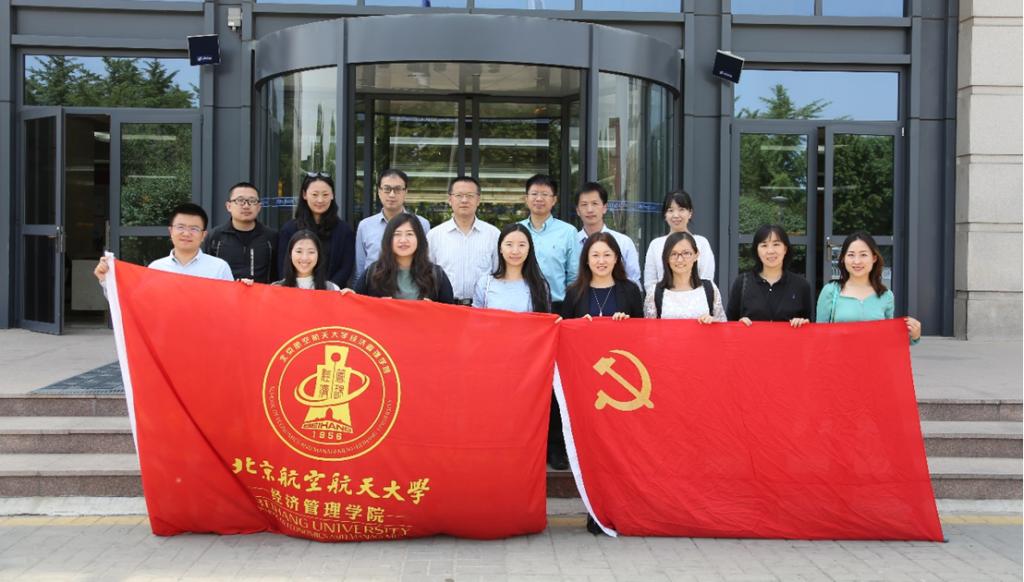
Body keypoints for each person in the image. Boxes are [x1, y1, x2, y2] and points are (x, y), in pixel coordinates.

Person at [816, 231, 922, 343]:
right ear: (843, 258)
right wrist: (803, 327)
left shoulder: (886, 295)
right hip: (838, 354)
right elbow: (819, 336)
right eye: (851, 255)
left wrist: (914, 336)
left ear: (874, 258)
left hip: (875, 355)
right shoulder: (830, 291)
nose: (857, 261)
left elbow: (888, 338)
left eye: (863, 255)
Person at [93, 202, 233, 284]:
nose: (186, 233)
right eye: (180, 227)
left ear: (203, 235)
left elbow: (231, 306)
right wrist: (107, 281)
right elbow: (137, 304)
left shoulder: (219, 268)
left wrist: (243, 289)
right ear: (171, 231)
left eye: (194, 229)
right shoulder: (156, 268)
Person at [427, 176, 500, 305]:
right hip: (445, 306)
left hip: (482, 307)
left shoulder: (493, 235)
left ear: (478, 200)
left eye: (470, 195)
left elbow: (498, 273)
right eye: (459, 195)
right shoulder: (434, 235)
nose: (464, 200)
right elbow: (426, 274)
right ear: (450, 200)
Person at [351, 213, 453, 303]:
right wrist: (349, 296)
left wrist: (433, 309)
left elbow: (450, 312)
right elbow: (357, 306)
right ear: (388, 240)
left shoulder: (436, 275)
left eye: (409, 234)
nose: (403, 240)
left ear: (419, 239)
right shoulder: (373, 272)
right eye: (397, 234)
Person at [277, 173, 355, 289]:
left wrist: (329, 289)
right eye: (314, 194)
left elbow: (346, 267)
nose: (320, 200)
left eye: (325, 194)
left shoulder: (344, 230)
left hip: (332, 294)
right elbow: (283, 266)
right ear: (304, 194)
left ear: (332, 195)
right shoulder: (289, 229)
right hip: (295, 294)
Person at [726, 224, 813, 326]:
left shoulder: (801, 285)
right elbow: (728, 324)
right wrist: (738, 325)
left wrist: (803, 323)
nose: (770, 251)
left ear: (785, 249)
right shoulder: (742, 283)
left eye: (776, 244)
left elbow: (810, 324)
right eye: (764, 245)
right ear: (757, 251)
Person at [354, 169, 431, 282]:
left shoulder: (421, 224)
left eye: (397, 189)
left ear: (406, 192)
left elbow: (426, 260)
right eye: (387, 189)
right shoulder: (365, 226)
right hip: (374, 288)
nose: (392, 194)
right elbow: (360, 269)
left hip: (411, 287)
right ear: (379, 192)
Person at [518, 174, 579, 313]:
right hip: (521, 306)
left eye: (545, 194)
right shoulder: (517, 230)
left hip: (557, 306)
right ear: (526, 198)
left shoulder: (568, 232)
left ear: (554, 200)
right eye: (534, 194)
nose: (539, 199)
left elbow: (574, 276)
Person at [203, 182, 277, 284]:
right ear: (228, 206)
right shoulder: (215, 236)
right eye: (240, 200)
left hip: (262, 293)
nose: (246, 206)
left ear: (259, 207)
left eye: (252, 201)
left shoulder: (271, 237)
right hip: (224, 293)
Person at [644, 231, 726, 322]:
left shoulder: (710, 288)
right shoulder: (654, 293)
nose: (679, 259)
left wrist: (714, 321)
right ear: (666, 258)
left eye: (686, 253)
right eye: (673, 254)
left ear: (696, 255)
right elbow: (648, 328)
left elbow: (724, 325)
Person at [562, 233, 644, 320]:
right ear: (587, 259)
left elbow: (640, 326)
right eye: (595, 255)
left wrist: (627, 322)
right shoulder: (573, 292)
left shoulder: (631, 290)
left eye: (607, 255)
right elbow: (564, 325)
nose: (601, 261)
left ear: (615, 258)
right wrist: (579, 323)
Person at [643, 190, 715, 290]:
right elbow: (650, 283)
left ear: (690, 213)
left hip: (697, 298)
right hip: (663, 298)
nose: (676, 215)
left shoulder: (701, 243)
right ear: (665, 214)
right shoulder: (656, 245)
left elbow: (706, 278)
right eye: (670, 210)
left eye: (681, 209)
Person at [574, 182, 641, 288]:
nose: (590, 209)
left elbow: (634, 280)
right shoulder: (571, 243)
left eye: (595, 203)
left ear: (605, 207)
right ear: (578, 210)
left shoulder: (623, 242)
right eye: (584, 204)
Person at [472, 224, 551, 313]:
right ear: (500, 248)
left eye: (521, 245)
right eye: (509, 244)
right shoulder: (485, 284)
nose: (515, 251)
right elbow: (476, 318)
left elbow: (545, 319)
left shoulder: (540, 286)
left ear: (529, 249)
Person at [272, 230, 341, 291]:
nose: (304, 258)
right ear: (290, 254)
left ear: (318, 255)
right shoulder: (276, 289)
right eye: (299, 251)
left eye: (311, 252)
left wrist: (346, 297)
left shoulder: (332, 289)